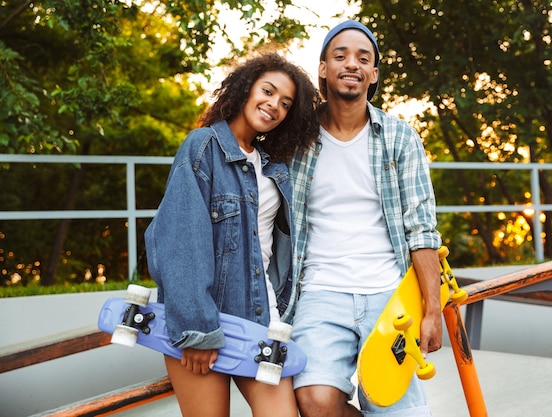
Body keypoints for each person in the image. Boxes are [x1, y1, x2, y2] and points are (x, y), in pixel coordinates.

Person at [144, 53, 319, 417]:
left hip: (261, 318)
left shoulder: (275, 167)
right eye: (267, 91)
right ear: (245, 89)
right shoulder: (203, 146)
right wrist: (197, 329)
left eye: (285, 104)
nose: (274, 105)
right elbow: (180, 240)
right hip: (205, 319)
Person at [289, 20, 443, 416]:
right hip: (321, 291)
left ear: (374, 74)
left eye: (363, 58)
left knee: (391, 406)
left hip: (389, 294)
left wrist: (432, 309)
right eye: (340, 56)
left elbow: (421, 228)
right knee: (315, 401)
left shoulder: (399, 137)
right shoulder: (296, 137)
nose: (351, 64)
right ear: (323, 68)